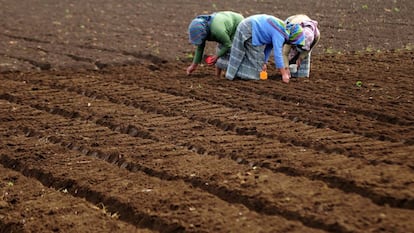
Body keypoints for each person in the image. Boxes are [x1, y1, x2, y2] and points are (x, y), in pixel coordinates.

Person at [225, 14, 305, 83]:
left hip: (248, 25)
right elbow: (278, 55)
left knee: (257, 60)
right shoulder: (280, 34)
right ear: (293, 37)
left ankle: (235, 74)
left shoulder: (283, 29)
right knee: (256, 61)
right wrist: (284, 74)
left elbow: (269, 47)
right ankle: (242, 77)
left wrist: (265, 62)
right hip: (249, 27)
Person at [187, 11, 244, 77]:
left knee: (230, 50)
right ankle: (217, 76)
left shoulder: (217, 31)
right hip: (223, 21)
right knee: (220, 49)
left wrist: (217, 56)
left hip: (237, 22)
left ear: (205, 32)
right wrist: (193, 66)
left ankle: (231, 73)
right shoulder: (202, 31)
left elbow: (228, 45)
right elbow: (200, 48)